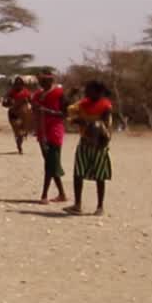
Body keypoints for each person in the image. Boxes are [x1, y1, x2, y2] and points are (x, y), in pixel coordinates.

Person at [65, 81, 114, 216]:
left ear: (98, 92)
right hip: (85, 142)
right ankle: (77, 204)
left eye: (89, 90)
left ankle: (100, 206)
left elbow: (104, 126)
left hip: (99, 144)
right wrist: (70, 96)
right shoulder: (83, 104)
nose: (87, 92)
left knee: (100, 176)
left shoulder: (106, 106)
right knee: (78, 173)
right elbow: (68, 109)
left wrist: (84, 122)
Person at [32, 71, 68, 204]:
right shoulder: (37, 95)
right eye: (40, 81)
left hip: (55, 130)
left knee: (50, 163)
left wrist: (48, 111)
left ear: (51, 80)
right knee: (50, 162)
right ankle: (62, 193)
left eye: (44, 81)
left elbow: (64, 114)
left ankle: (44, 194)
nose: (41, 83)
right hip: (42, 131)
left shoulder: (59, 93)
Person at [3, 77, 34, 155]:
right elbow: (4, 103)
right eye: (16, 84)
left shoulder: (26, 92)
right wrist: (10, 103)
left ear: (22, 84)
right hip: (13, 114)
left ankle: (19, 143)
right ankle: (19, 146)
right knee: (18, 133)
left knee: (22, 132)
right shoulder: (11, 92)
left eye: (20, 84)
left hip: (24, 116)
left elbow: (32, 102)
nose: (18, 85)